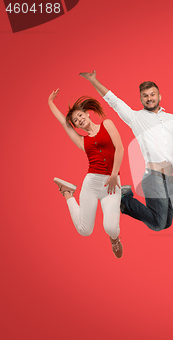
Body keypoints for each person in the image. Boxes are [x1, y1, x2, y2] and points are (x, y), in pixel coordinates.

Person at [79, 70, 173, 232]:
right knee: (158, 224)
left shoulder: (172, 119)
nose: (149, 98)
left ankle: (125, 199)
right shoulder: (136, 118)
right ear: (141, 99)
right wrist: (94, 81)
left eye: (152, 94)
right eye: (145, 96)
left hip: (169, 177)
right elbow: (114, 101)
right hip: (153, 176)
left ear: (159, 97)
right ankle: (124, 199)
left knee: (165, 223)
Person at [49, 89, 124, 258]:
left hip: (112, 183)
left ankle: (115, 239)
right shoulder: (82, 141)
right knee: (84, 230)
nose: (79, 120)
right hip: (92, 184)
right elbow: (63, 123)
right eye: (76, 121)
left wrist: (113, 175)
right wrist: (50, 103)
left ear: (88, 114)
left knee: (111, 228)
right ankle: (67, 193)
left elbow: (119, 148)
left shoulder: (107, 124)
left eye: (80, 116)